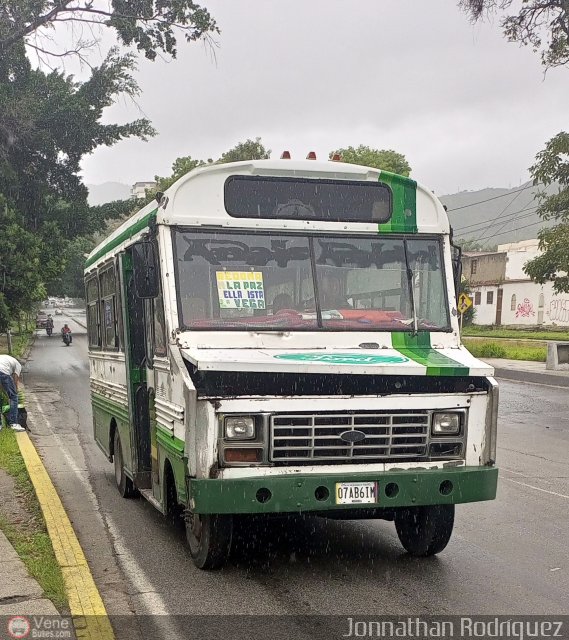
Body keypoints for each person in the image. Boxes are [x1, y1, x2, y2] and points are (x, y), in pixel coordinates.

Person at [0, 354, 25, 432]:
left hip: (2, 371)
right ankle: (13, 423)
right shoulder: (18, 365)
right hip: (2, 371)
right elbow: (15, 379)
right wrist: (15, 390)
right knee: (14, 396)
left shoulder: (6, 359)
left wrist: (5, 392)